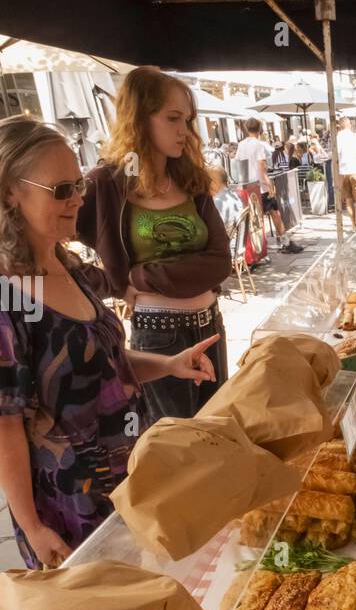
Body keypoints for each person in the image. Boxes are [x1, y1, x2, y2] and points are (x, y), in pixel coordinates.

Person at [0, 116, 218, 568]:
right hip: (71, 512)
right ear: (9, 194)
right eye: (61, 190)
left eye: (78, 184)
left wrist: (170, 363)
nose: (79, 199)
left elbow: (106, 366)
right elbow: (5, 430)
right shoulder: (8, 298)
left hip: (129, 484)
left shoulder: (70, 267)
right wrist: (33, 527)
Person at [75, 65, 231, 424]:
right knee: (177, 446)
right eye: (173, 118)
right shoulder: (107, 184)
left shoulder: (190, 176)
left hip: (210, 325)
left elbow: (221, 262)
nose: (184, 131)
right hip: (158, 336)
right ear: (139, 119)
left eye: (187, 120)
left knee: (218, 434)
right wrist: (108, 283)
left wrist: (137, 278)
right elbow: (46, 240)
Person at [235, 117, 302, 255]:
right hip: (260, 186)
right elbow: (262, 166)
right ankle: (285, 242)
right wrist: (269, 184)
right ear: (260, 129)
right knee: (275, 213)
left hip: (247, 186)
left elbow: (238, 165)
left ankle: (257, 249)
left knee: (255, 219)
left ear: (246, 129)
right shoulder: (258, 145)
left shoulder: (241, 145)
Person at [209, 166, 244, 230]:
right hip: (239, 238)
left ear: (213, 182)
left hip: (228, 238)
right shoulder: (236, 195)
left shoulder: (218, 202)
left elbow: (213, 230)